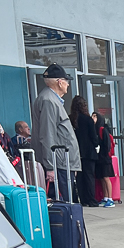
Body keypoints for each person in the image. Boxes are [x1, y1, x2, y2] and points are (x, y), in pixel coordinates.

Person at [31, 64, 81, 202]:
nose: (68, 85)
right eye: (67, 81)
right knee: (65, 203)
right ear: (60, 82)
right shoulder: (48, 101)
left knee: (68, 202)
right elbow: (47, 135)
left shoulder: (52, 100)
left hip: (62, 162)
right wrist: (50, 167)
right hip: (58, 162)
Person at [69, 95, 101, 207]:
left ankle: (82, 199)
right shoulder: (88, 120)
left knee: (79, 178)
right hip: (89, 152)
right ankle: (91, 199)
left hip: (76, 151)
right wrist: (97, 146)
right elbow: (93, 136)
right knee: (89, 176)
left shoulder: (71, 119)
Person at [92, 111, 116, 207]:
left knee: (106, 178)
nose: (93, 118)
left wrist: (103, 154)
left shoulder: (103, 130)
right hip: (100, 158)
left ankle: (110, 198)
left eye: (95, 116)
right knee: (102, 178)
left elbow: (107, 145)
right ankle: (105, 197)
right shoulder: (96, 129)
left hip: (105, 158)